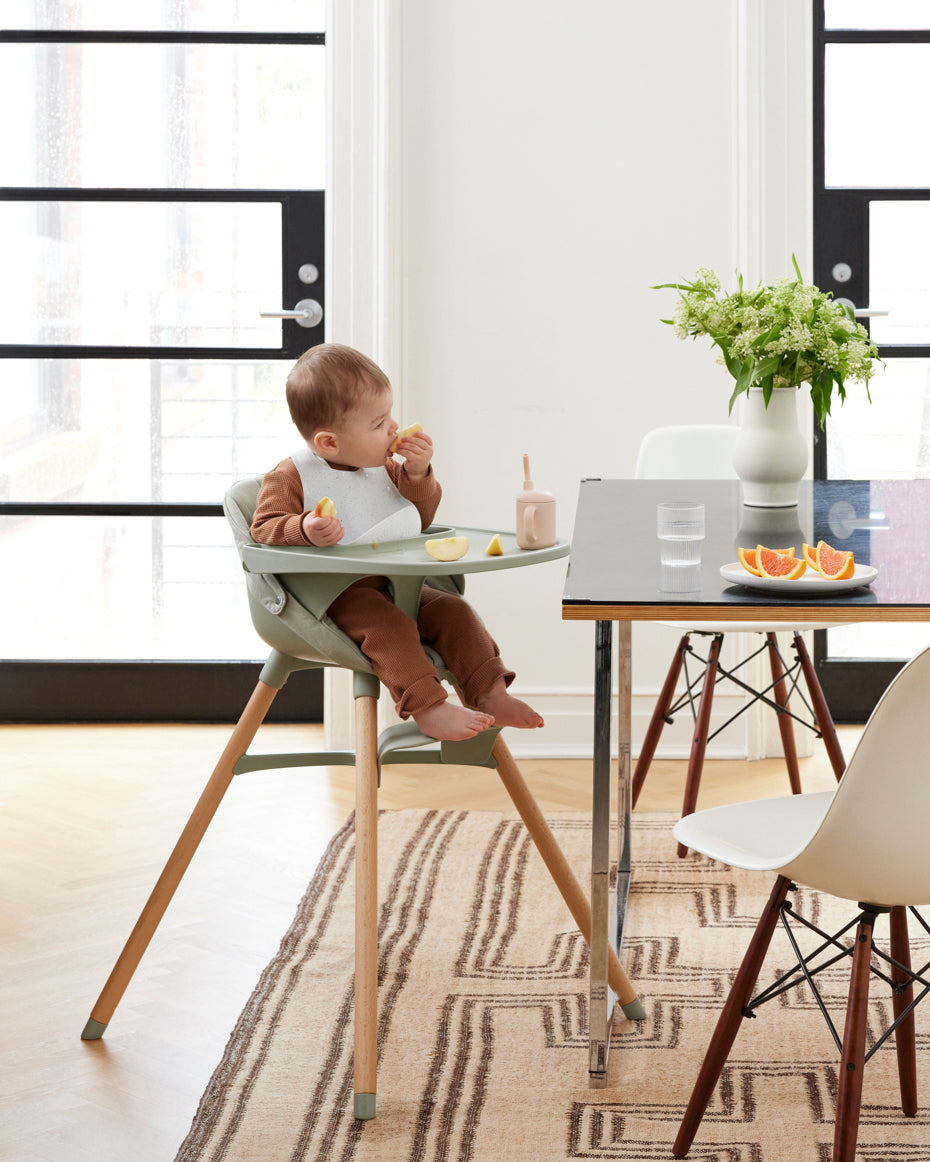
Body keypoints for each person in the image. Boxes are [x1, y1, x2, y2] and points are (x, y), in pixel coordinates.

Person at [250, 342, 544, 742]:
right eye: (378, 424)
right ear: (329, 443)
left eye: (389, 416)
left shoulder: (385, 469)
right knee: (388, 626)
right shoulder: (291, 477)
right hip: (332, 593)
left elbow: (417, 520)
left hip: (395, 583)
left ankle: (491, 692)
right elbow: (263, 527)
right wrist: (304, 529)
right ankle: (429, 707)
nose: (393, 428)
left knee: (454, 611)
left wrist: (419, 473)